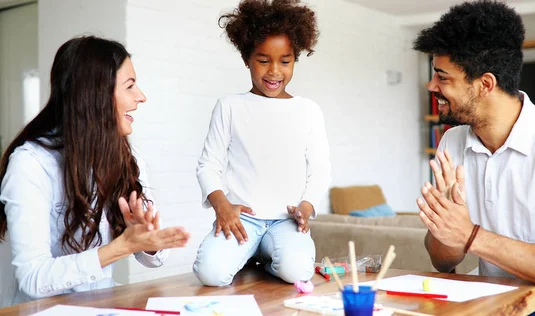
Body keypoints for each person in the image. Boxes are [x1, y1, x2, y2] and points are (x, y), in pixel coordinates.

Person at [413, 1, 535, 315]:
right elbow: (443, 261)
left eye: (443, 77)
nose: (431, 85)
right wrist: (447, 227)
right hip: (491, 304)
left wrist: (470, 235)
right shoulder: (453, 141)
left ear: (485, 84)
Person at [0, 36, 191, 307]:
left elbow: (155, 260)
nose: (141, 96)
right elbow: (33, 279)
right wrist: (119, 248)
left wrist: (145, 239)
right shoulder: (31, 164)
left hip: (101, 306)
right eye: (130, 86)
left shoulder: (128, 158)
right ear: (95, 95)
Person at [193, 0, 330, 286]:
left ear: (296, 59)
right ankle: (248, 252)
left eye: (285, 61)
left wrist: (305, 209)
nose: (274, 72)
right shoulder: (229, 106)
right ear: (246, 57)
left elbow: (319, 170)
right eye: (263, 60)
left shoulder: (308, 110)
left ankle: (261, 260)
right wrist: (222, 207)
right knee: (211, 274)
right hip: (243, 219)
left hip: (286, 221)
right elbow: (209, 165)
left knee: (298, 273)